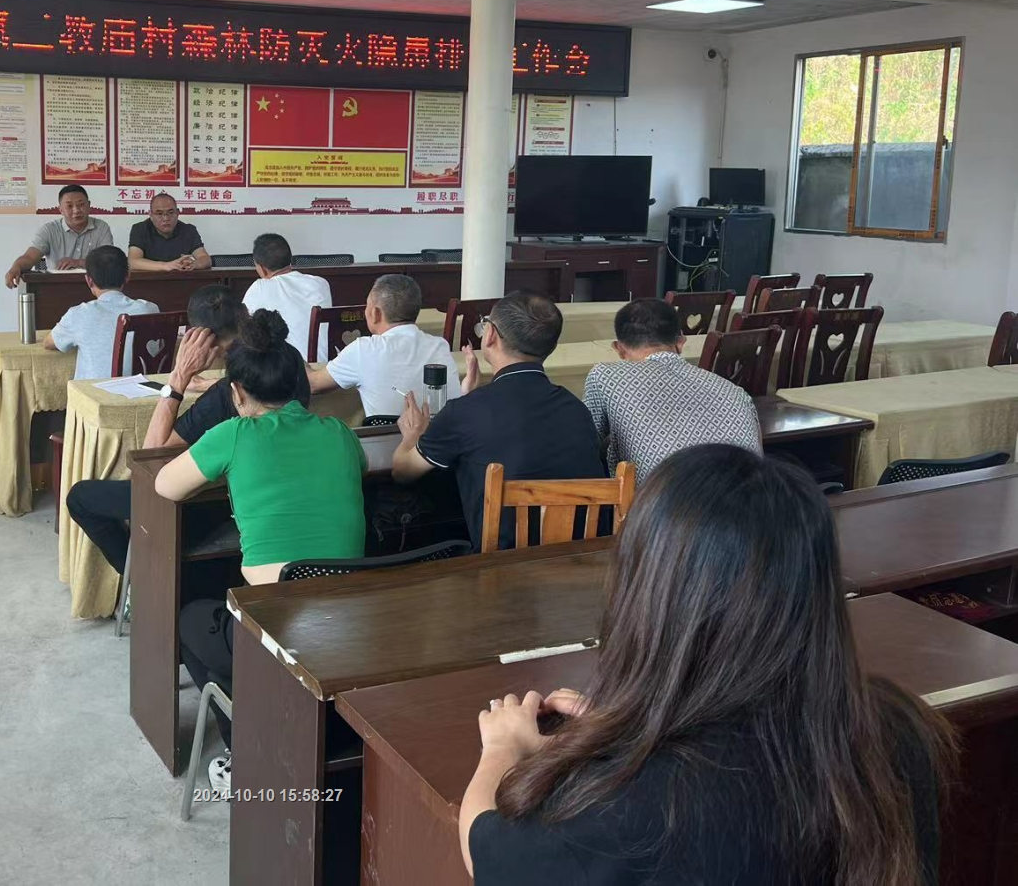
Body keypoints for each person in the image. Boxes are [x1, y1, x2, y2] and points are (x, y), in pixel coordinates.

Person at [459, 445, 954, 885]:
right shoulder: (894, 726)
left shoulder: (640, 806)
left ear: (649, 596)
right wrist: (619, 729)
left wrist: (502, 748)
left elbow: (489, 852)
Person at [157, 308, 367, 792]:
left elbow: (165, 486)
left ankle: (245, 748)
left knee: (188, 618)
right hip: (350, 618)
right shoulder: (338, 433)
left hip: (274, 626)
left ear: (236, 393)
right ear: (301, 385)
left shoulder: (233, 434)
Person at [65, 285, 312, 575]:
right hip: (278, 491)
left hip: (216, 505)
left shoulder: (226, 396)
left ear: (198, 337)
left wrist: (179, 377)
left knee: (81, 497)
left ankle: (141, 577)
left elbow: (152, 456)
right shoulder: (288, 360)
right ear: (245, 314)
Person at [392, 290, 604, 548]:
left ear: (490, 334)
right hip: (583, 558)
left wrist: (413, 435)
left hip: (505, 564)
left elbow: (402, 472)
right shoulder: (576, 408)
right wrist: (469, 399)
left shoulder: (465, 413)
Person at [584, 298, 761, 480]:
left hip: (662, 497)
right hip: (752, 494)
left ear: (619, 349)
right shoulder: (736, 392)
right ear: (681, 342)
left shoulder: (605, 376)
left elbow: (585, 444)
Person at [307, 274, 462, 419]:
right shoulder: (439, 346)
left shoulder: (363, 350)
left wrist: (296, 357)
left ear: (375, 313)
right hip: (443, 436)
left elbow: (312, 384)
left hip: (389, 439)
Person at [42, 246, 157, 380]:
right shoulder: (150, 310)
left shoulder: (79, 313)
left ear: (89, 280)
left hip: (93, 392)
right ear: (127, 276)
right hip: (141, 391)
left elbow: (49, 343)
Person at [241, 233, 332, 362]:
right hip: (324, 366)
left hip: (285, 369)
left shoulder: (260, 287)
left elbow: (242, 329)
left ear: (262, 268)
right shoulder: (320, 284)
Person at [4, 185, 113, 286]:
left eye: (81, 205)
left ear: (89, 205)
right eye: (69, 206)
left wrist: (78, 263)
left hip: (94, 287)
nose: (76, 210)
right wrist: (16, 266)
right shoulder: (49, 230)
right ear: (61, 210)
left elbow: (108, 262)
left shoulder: (101, 228)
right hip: (56, 286)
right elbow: (30, 257)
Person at [127, 192, 211, 272]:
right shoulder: (139, 229)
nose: (166, 218)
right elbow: (133, 262)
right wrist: (166, 266)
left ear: (177, 213)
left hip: (181, 280)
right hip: (149, 280)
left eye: (170, 213)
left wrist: (193, 264)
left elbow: (205, 259)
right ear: (151, 215)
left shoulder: (188, 230)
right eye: (159, 214)